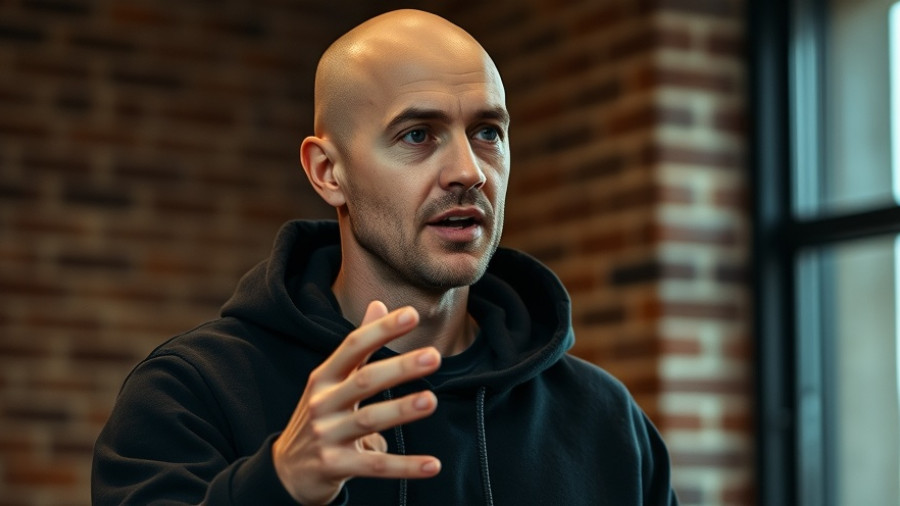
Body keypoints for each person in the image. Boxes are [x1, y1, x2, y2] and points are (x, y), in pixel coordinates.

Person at [92, 8, 677, 506]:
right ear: (329, 172)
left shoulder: (606, 421)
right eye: (418, 135)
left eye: (488, 133)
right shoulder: (191, 392)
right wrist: (278, 484)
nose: (469, 172)